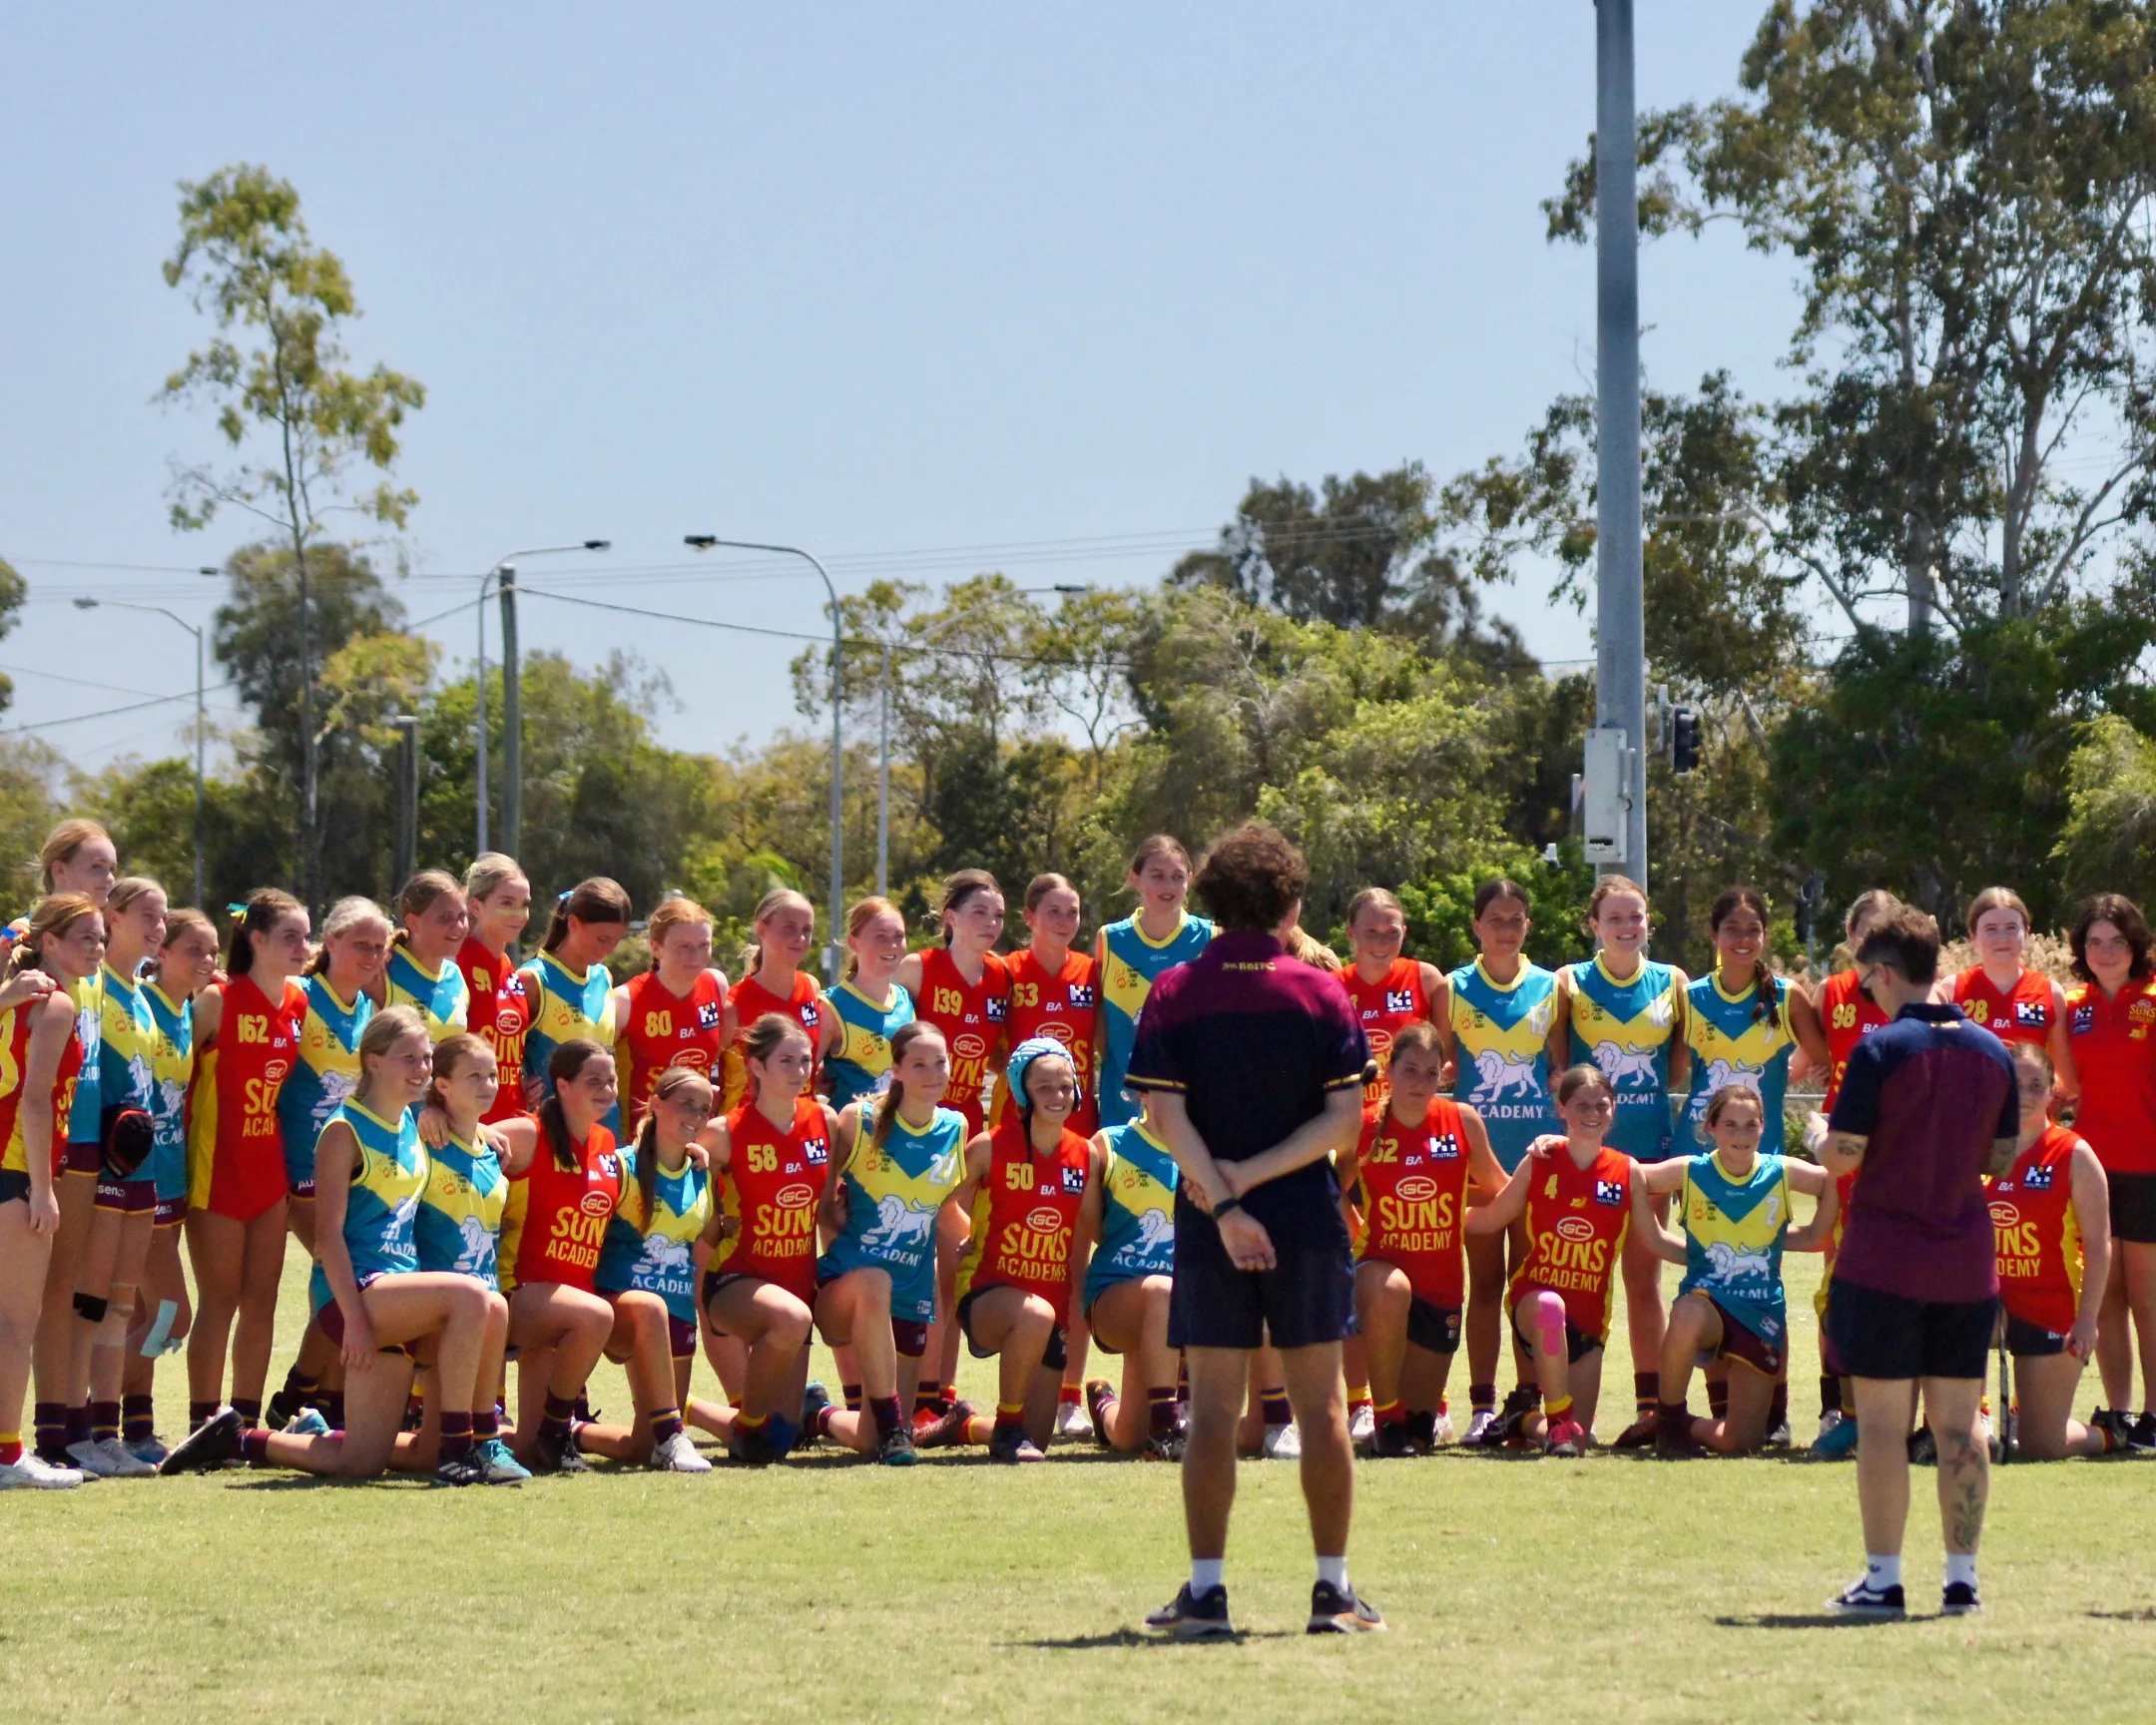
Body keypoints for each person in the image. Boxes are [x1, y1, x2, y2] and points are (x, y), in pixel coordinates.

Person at [1127, 823, 1379, 1639]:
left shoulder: (1174, 989)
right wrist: (1256, 1181)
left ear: (1210, 898)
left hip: (1208, 1222)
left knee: (1209, 1413)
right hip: (1305, 1218)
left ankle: (1206, 1596)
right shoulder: (1320, 990)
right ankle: (1333, 1594)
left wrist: (1225, 1199)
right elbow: (1344, 1122)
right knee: (1322, 1411)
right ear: (1289, 900)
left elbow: (1164, 1116)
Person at [161, 1008, 513, 1484]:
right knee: (477, 1297)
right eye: (408, 1058)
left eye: (427, 1059)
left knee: (359, 1463)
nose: (421, 1069)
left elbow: (468, 1120)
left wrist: (469, 1124)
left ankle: (236, 1438)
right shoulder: (343, 1131)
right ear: (372, 1062)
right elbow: (327, 1238)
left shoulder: (416, 1123)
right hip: (354, 1295)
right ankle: (465, 1448)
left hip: (400, 1296)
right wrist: (356, 1324)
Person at [1820, 903, 2019, 1618]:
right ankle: (1962, 1580)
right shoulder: (1993, 1051)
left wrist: (1819, 1135)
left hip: (1885, 1260)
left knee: (1880, 1423)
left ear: (1881, 972)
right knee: (1961, 1425)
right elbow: (2000, 1157)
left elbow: (1845, 1154)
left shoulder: (1880, 1049)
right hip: (1965, 1261)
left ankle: (1883, 1579)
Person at [1549, 876, 1690, 1448]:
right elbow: (1560, 1066)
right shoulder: (1570, 982)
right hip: (1586, 1154)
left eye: (1636, 916)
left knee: (1642, 1279)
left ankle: (1651, 1405)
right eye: (1615, 918)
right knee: (1576, 1276)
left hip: (1649, 1153)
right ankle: (1552, 1406)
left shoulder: (1673, 981)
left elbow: (1677, 1069)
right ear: (1594, 925)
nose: (1627, 927)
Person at [1467, 1066, 1658, 1455]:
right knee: (1550, 1306)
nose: (1593, 1112)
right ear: (1562, 1109)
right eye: (1581, 1105)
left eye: (1601, 1104)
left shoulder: (1627, 1170)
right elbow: (1490, 1218)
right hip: (1535, 1306)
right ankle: (1551, 1421)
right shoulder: (1540, 1159)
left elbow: (1656, 1237)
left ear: (1613, 1109)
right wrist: (1433, 1210)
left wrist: (1708, 1254)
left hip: (1589, 1319)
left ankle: (1521, 1418)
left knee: (1578, 1439)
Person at [1642, 1085, 1838, 1457]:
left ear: (1763, 1128)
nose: (1741, 1135)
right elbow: (1630, 1175)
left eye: (1751, 1125)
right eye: (1730, 1124)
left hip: (1760, 1314)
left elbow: (1835, 1184)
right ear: (1711, 1127)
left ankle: (1679, 1424)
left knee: (1742, 1443)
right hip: (1708, 1308)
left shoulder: (1780, 1171)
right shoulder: (1690, 1170)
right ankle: (1669, 1419)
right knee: (1687, 1312)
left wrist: (1778, 1240)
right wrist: (1558, 1142)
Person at [1337, 1022, 1503, 1456]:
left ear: (1444, 1076)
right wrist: (1357, 1228)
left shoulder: (1462, 1120)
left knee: (1421, 1432)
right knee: (1392, 1289)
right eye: (1410, 1070)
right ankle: (1382, 1415)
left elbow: (1499, 1189)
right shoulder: (1364, 1125)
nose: (1420, 1082)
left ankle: (1404, 1419)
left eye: (1431, 1073)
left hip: (1441, 1285)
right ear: (1389, 1070)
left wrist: (1548, 1160)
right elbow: (1330, 1189)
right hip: (1378, 1275)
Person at [810, 1021, 969, 1464]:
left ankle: (818, 1414)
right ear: (896, 1069)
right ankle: (901, 1428)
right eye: (919, 1064)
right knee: (876, 1280)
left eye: (940, 1062)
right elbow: (822, 1205)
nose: (933, 1072)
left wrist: (982, 1245)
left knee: (872, 1437)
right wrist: (836, 1219)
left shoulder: (956, 1127)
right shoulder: (858, 1121)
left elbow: (945, 1211)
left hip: (912, 1297)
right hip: (847, 1291)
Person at [183, 889, 307, 1438]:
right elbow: (174, 1079)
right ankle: (203, 1420)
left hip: (269, 1170)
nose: (303, 947)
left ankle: (246, 1423)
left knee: (263, 1301)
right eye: (290, 937)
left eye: (307, 936)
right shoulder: (217, 997)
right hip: (217, 1170)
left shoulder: (299, 1002)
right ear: (255, 940)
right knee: (219, 1299)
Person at [946, 1038, 1099, 1462]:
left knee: (1041, 1437)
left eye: (1066, 1087)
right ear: (1021, 1090)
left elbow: (1098, 1228)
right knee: (1035, 1315)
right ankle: (1007, 1429)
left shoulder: (1085, 1153)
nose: (1057, 1096)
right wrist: (967, 1233)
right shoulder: (988, 1145)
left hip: (1052, 1310)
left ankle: (965, 1426)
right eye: (1044, 1087)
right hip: (987, 1294)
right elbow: (946, 1208)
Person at [896, 870, 1011, 1432]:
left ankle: (938, 1391)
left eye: (997, 916)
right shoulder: (918, 969)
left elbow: (999, 1054)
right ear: (951, 918)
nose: (989, 925)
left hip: (968, 1135)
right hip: (914, 1132)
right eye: (979, 914)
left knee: (954, 1262)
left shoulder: (1001, 977)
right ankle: (904, 1391)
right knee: (914, 1260)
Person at [1447, 877, 1559, 1445]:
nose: (1506, 929)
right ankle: (1481, 1404)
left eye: (1516, 919)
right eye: (1495, 918)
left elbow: (1562, 1068)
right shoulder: (1453, 988)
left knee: (1532, 1287)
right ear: (1476, 925)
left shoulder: (1551, 987)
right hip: (1478, 1168)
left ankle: (1528, 1402)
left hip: (1538, 1164)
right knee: (1486, 1287)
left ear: (1527, 927)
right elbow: (1437, 1066)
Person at [62, 877, 166, 1477]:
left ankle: (107, 1432)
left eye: (163, 917)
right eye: (147, 916)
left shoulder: (142, 995)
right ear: (113, 916)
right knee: (89, 1301)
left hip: (142, 1165)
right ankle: (73, 1427)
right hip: (97, 1160)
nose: (157, 927)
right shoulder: (93, 982)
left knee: (123, 1306)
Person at [700, 1013, 837, 1463]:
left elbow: (828, 1209)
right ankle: (750, 1425)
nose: (800, 1072)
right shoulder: (723, 1133)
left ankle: (688, 1410)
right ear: (755, 1067)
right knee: (791, 1319)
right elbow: (686, 1197)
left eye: (805, 1061)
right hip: (735, 1283)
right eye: (786, 1062)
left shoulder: (826, 1121)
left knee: (781, 1440)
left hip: (798, 1285)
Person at [998, 871, 1101, 1437]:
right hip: (1017, 1140)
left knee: (1073, 1268)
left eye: (1073, 911)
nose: (1064, 921)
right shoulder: (1009, 971)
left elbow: (1108, 1039)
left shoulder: (1093, 970)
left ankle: (1069, 1396)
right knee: (1010, 1256)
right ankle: (941, 1395)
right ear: (1030, 917)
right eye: (1054, 911)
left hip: (1077, 1140)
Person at [0, 896, 96, 1488]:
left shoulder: (18, 993)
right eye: (83, 936)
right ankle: (9, 1457)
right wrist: (42, 1190)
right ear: (50, 942)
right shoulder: (54, 1003)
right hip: (14, 1170)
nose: (96, 947)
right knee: (16, 1322)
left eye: (100, 936)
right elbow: (36, 1099)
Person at [29, 822, 116, 1470]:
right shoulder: (28, 941)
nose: (106, 881)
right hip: (26, 1144)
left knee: (69, 1291)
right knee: (28, 1297)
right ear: (58, 871)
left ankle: (62, 1426)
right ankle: (42, 1432)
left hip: (80, 1139)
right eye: (95, 868)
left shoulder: (93, 955)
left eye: (112, 870)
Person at [497, 1038, 628, 1473]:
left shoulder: (607, 1142)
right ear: (563, 1085)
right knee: (595, 1317)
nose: (607, 1089)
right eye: (594, 1081)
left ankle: (544, 1441)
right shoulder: (529, 1133)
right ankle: (559, 1432)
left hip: (566, 1302)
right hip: (520, 1293)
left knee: (526, 1454)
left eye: (611, 1081)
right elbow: (468, 1135)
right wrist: (435, 1115)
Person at [584, 1063, 717, 1472]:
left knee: (646, 1445)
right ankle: (674, 1436)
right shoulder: (622, 1166)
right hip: (624, 1310)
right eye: (685, 1105)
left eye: (704, 1108)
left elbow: (706, 1237)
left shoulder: (700, 1171)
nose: (695, 1116)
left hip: (678, 1313)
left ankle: (571, 1431)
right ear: (656, 1104)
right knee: (668, 1433)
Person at [1805, 887, 1899, 1456]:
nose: (1872, 939)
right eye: (1864, 930)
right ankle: (1834, 1404)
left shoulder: (1916, 992)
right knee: (1838, 1284)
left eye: (1885, 928)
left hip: (1900, 1156)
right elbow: (1815, 1062)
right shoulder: (1832, 991)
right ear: (1850, 939)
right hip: (1845, 1160)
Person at [411, 1031, 531, 1480]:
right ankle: (467, 1444)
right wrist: (422, 1112)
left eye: (492, 1074)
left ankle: (485, 1441)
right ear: (441, 1085)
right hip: (429, 1311)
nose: (487, 1084)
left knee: (493, 1301)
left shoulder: (493, 1149)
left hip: (479, 1318)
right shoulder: (424, 1142)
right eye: (473, 1076)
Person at [2061, 894, 2156, 1448]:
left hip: (2148, 1169)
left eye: (2116, 940)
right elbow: (2060, 1086)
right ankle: (2120, 1412)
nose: (2105, 951)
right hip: (2093, 1170)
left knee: (2148, 1299)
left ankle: (2155, 1413)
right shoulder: (2074, 1005)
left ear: (2135, 943)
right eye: (2094, 942)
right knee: (2108, 1297)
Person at [124, 908, 219, 1461]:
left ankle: (134, 1430)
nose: (206, 961)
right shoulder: (144, 1005)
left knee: (141, 1314)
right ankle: (79, 1415)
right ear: (161, 952)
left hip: (173, 1178)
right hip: (137, 1180)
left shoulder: (188, 1011)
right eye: (193, 951)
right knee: (171, 1314)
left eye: (212, 952)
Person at [1991, 1043, 2116, 1459]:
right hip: (1990, 1306)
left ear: (2052, 1093)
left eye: (2036, 1085)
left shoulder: (2073, 1153)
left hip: (2054, 1309)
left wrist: (2087, 1321)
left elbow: (2099, 1246)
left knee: (2041, 1446)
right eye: (2015, 1083)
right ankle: (1981, 1418)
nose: (2024, 1094)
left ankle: (2108, 1432)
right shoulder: (1979, 1149)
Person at [1077, 1093, 1183, 1460]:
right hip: (1117, 1299)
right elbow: (1095, 1230)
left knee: (1127, 1439)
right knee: (1160, 1290)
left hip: (1181, 1307)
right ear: (1141, 1089)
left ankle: (1103, 1402)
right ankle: (1167, 1428)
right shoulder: (1108, 1145)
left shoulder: (1209, 1148)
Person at [1096, 836, 1213, 1133]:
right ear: (1135, 879)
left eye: (1177, 877)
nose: (1168, 886)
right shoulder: (1110, 940)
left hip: (1195, 1108)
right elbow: (1098, 1025)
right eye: (1157, 876)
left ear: (1190, 880)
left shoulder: (1211, 938)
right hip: (1122, 1107)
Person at [1947, 885, 2078, 1110]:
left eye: (2011, 928)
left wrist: (2038, 1111)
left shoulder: (2050, 992)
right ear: (1973, 936)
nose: (2002, 938)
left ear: (2026, 933)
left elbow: (2065, 1081)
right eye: (1991, 929)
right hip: (1971, 1128)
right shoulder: (1950, 991)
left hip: (2030, 1129)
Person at [519, 877, 630, 1128]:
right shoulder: (533, 980)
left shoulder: (603, 976)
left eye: (617, 940)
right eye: (602, 939)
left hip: (604, 1127)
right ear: (573, 924)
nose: (610, 949)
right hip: (552, 1131)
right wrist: (520, 1085)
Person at [612, 894, 729, 1131]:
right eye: (683, 947)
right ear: (656, 948)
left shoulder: (717, 985)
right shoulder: (625, 1000)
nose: (695, 957)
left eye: (703, 945)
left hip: (697, 1133)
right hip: (641, 1138)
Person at [721, 887, 831, 1110]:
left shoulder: (811, 986)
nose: (800, 938)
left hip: (801, 1128)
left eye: (806, 930)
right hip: (748, 1132)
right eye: (789, 928)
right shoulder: (734, 1006)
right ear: (762, 929)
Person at [1340, 889, 1446, 1112]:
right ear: (1351, 933)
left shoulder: (1426, 979)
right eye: (1371, 933)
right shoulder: (1332, 987)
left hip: (1410, 1121)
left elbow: (1446, 1059)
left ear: (1404, 933)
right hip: (1351, 1125)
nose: (1382, 942)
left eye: (1392, 933)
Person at [455, 853, 534, 1126]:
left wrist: (523, 1084)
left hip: (511, 1121)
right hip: (469, 1125)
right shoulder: (457, 963)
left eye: (524, 904)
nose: (519, 914)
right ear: (476, 906)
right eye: (506, 903)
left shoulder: (508, 966)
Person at [822, 896, 915, 1113]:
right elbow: (804, 1078)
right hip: (853, 1135)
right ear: (854, 942)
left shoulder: (905, 999)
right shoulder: (832, 1005)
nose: (891, 945)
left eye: (898, 936)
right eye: (880, 937)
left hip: (899, 1133)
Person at [383, 870, 472, 1042]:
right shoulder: (384, 971)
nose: (458, 926)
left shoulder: (456, 976)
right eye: (445, 917)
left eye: (462, 916)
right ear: (413, 923)